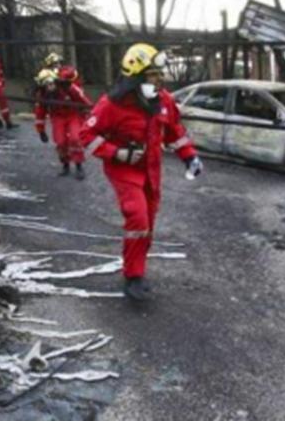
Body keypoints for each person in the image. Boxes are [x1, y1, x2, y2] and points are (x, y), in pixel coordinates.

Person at [79, 43, 203, 301]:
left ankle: (138, 269)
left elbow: (174, 132)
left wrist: (189, 155)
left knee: (148, 224)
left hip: (152, 170)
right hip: (124, 171)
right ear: (136, 76)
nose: (160, 79)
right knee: (138, 218)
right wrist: (117, 153)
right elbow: (86, 135)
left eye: (160, 74)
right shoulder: (112, 105)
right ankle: (133, 276)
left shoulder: (164, 100)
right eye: (153, 74)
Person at [35, 65, 93, 179]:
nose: (49, 86)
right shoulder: (42, 95)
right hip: (57, 117)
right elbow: (40, 113)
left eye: (51, 83)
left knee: (75, 139)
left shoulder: (68, 87)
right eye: (46, 85)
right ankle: (65, 165)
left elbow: (84, 101)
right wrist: (41, 130)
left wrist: (91, 116)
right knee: (60, 142)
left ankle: (79, 166)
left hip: (73, 115)